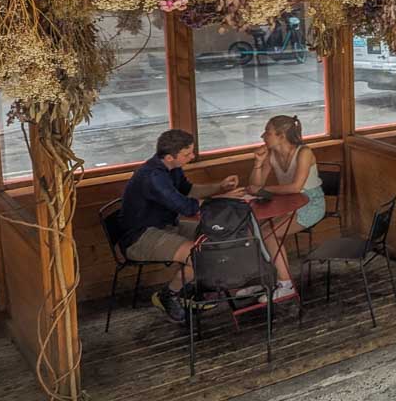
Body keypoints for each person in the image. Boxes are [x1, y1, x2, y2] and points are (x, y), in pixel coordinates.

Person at [118, 129, 239, 323]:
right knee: (200, 255)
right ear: (169, 156)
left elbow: (189, 190)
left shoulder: (171, 167)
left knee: (218, 236)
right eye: (187, 154)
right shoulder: (153, 177)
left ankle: (190, 287)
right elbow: (186, 207)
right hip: (140, 237)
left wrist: (220, 187)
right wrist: (223, 199)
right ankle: (168, 295)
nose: (192, 156)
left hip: (166, 226)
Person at [247, 115, 325, 303]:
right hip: (288, 203)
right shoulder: (271, 154)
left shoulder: (304, 152)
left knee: (269, 235)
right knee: (255, 230)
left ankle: (286, 285)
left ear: (281, 136)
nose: (262, 136)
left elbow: (296, 187)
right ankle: (268, 280)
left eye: (267, 132)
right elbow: (254, 185)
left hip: (311, 203)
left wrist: (263, 191)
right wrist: (258, 163)